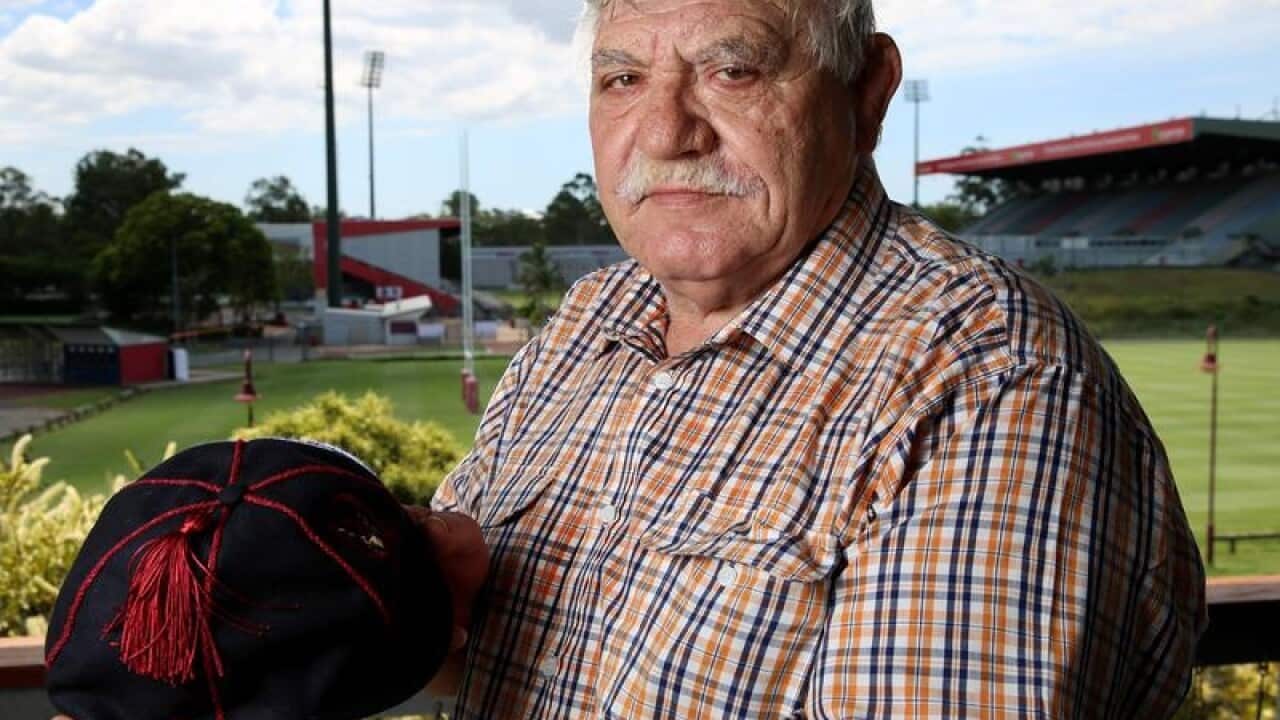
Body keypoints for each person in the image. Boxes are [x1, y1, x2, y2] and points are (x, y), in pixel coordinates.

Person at [424, 0, 1206, 718]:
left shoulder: (990, 378)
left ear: (868, 93)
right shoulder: (587, 321)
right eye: (623, 80)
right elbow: (477, 658)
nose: (664, 134)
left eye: (734, 71)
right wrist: (389, 607)